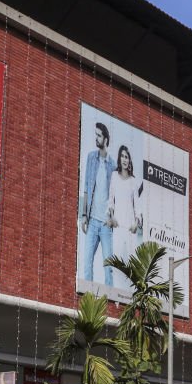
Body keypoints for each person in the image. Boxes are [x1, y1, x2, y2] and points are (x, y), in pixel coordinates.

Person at [79, 122, 116, 286]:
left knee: (109, 266)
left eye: (99, 135)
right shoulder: (91, 158)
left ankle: (110, 299)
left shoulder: (113, 165)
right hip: (92, 221)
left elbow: (116, 197)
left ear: (106, 139)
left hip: (106, 223)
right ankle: (88, 298)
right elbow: (86, 188)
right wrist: (84, 215)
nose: (96, 138)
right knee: (87, 263)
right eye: (95, 135)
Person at [106, 144, 143, 280]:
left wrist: (136, 223)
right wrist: (112, 217)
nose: (124, 159)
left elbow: (138, 207)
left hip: (130, 228)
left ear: (129, 160)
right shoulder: (114, 176)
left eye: (126, 157)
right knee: (117, 263)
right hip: (118, 227)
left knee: (132, 264)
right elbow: (110, 200)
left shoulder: (133, 181)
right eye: (122, 156)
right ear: (119, 158)